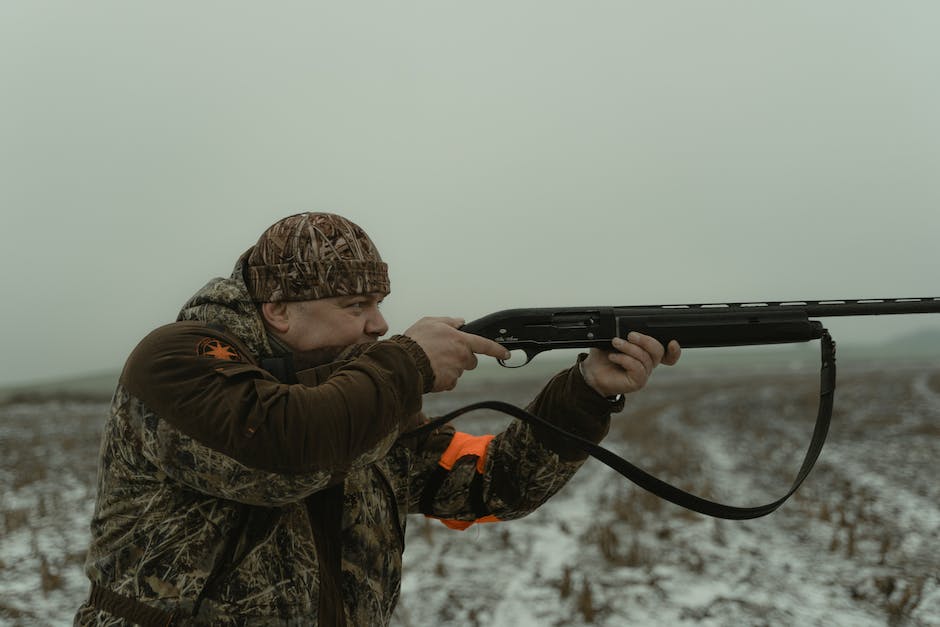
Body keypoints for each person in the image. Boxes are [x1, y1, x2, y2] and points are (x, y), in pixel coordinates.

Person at [75, 212, 680, 626]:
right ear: (280, 309)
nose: (380, 325)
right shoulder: (176, 362)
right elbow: (285, 454)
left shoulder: (356, 396)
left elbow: (490, 483)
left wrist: (587, 391)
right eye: (356, 306)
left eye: (379, 304)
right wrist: (409, 364)